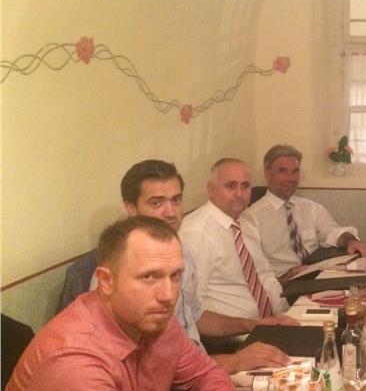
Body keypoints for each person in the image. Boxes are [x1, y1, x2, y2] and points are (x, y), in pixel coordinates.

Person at [1, 217, 279, 391]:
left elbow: (206, 373)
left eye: (175, 276)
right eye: (149, 277)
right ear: (106, 281)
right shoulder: (73, 358)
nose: (168, 295)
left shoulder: (154, 321)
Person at [58, 159, 293, 373]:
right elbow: (146, 368)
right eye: (156, 203)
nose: (170, 212)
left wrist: (252, 324)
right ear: (131, 208)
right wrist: (233, 362)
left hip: (199, 368)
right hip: (169, 386)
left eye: (176, 200)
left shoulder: (183, 253)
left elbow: (195, 315)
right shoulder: (119, 271)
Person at [244, 144, 366, 283]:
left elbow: (332, 232)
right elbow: (252, 272)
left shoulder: (311, 208)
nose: (291, 178)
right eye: (283, 171)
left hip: (317, 277)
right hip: (282, 284)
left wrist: (351, 241)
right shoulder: (251, 217)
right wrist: (284, 279)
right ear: (267, 174)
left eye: (295, 171)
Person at [180, 158, 289, 320]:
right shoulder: (196, 233)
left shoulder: (246, 222)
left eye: (245, 186)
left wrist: (286, 314)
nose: (239, 194)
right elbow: (192, 309)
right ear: (211, 190)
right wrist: (252, 326)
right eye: (231, 186)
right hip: (237, 332)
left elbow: (265, 276)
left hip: (274, 321)